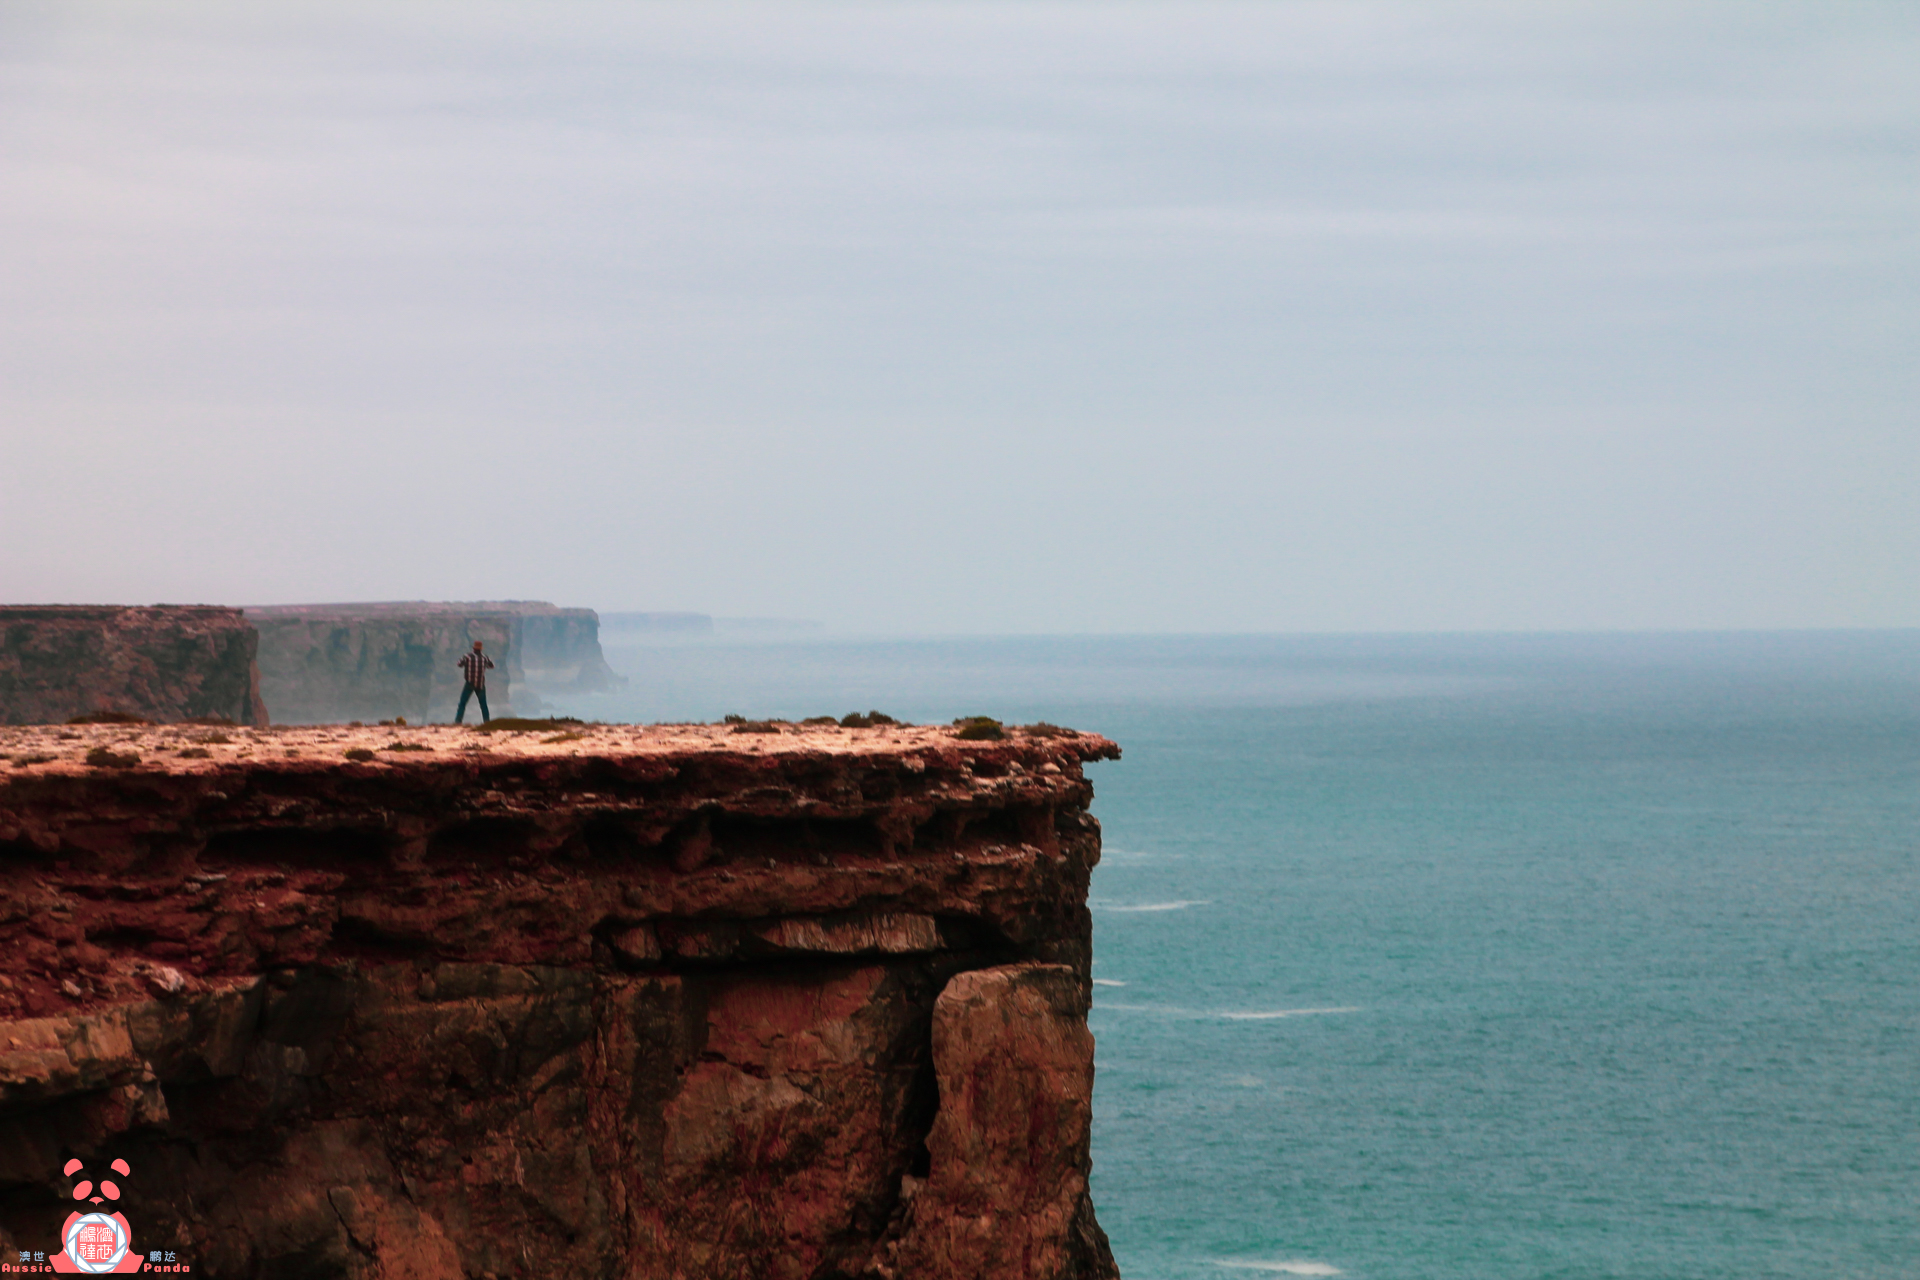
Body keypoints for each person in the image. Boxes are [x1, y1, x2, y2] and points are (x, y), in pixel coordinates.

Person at [455, 640, 495, 724]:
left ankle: (458, 722)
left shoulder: (467, 656)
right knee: (483, 705)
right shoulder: (485, 657)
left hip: (469, 683)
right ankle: (487, 722)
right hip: (480, 684)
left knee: (462, 703)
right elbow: (491, 666)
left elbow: (459, 664)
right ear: (481, 649)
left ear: (473, 648)